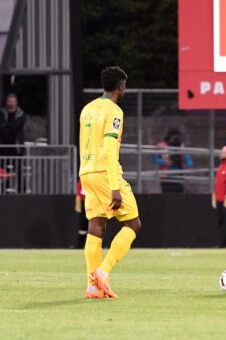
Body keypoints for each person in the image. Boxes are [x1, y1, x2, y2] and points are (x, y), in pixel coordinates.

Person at [79, 66, 141, 299]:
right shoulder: (114, 111)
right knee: (133, 224)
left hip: (87, 171)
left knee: (96, 225)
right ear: (121, 87)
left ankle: (93, 287)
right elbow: (109, 148)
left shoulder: (88, 108)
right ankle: (103, 272)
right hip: (106, 173)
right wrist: (115, 186)